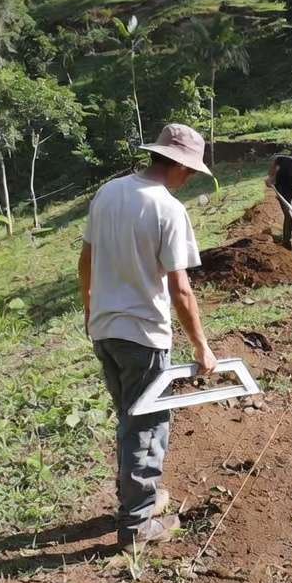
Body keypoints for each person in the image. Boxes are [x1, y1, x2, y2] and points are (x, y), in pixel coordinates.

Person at [79, 123, 218, 548]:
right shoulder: (168, 209)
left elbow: (86, 261)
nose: (189, 178)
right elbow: (181, 290)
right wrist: (202, 346)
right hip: (143, 335)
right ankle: (137, 524)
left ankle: (140, 497)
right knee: (147, 426)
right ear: (182, 168)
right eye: (191, 172)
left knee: (129, 417)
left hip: (105, 329)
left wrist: (91, 310)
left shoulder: (109, 192)